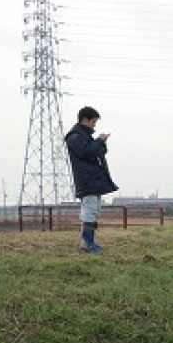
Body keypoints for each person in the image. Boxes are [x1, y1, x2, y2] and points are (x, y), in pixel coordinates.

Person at [65, 106, 118, 254]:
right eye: (93, 122)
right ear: (85, 120)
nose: (94, 125)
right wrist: (99, 141)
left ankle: (86, 243)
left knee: (93, 212)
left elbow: (97, 152)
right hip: (86, 180)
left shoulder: (85, 136)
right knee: (89, 212)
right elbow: (86, 152)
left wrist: (101, 142)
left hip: (94, 180)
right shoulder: (74, 137)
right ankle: (88, 244)